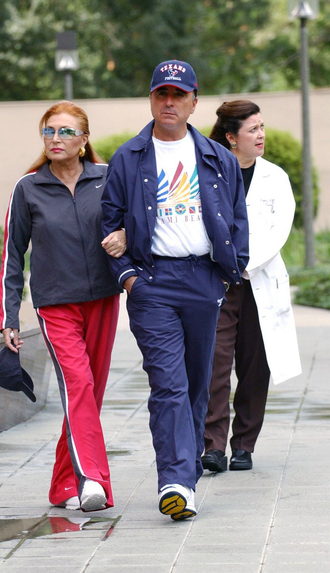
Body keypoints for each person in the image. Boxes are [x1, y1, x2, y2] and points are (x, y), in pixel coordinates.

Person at [101, 60, 249, 520]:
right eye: (161, 94)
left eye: (178, 94)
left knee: (196, 386)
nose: (169, 102)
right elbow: (109, 224)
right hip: (153, 283)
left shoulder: (216, 157)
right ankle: (176, 481)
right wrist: (128, 278)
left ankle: (184, 470)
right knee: (168, 384)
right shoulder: (129, 157)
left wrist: (227, 275)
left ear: (193, 101)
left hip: (204, 281)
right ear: (151, 99)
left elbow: (238, 221)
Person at [0, 100, 126, 513]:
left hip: (104, 299)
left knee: (88, 396)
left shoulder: (107, 179)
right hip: (56, 305)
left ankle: (61, 486)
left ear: (84, 140)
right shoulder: (28, 187)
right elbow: (12, 254)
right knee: (79, 387)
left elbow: (137, 223)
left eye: (66, 131)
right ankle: (93, 481)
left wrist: (125, 235)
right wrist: (9, 316)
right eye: (49, 131)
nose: (56, 138)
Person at [201, 100, 302, 474]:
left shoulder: (275, 177)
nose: (261, 135)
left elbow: (279, 231)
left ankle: (243, 444)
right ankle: (212, 445)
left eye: (262, 127)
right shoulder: (208, 173)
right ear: (231, 137)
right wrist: (224, 266)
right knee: (214, 364)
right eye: (253, 129)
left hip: (257, 280)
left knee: (255, 366)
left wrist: (242, 264)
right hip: (217, 283)